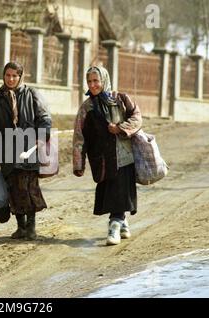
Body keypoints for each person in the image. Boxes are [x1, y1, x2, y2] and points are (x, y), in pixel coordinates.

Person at [73, 66, 142, 245]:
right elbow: (79, 136)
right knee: (112, 192)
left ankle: (115, 227)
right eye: (89, 81)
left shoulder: (120, 99)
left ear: (104, 80)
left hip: (123, 156)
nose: (93, 85)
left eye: (96, 81)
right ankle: (122, 222)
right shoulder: (86, 108)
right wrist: (78, 163)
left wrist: (120, 128)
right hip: (102, 160)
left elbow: (137, 118)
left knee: (121, 191)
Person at [0, 61, 52, 240]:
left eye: (15, 75)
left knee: (29, 188)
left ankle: (31, 227)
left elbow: (44, 118)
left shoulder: (32, 95)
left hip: (28, 148)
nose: (11, 79)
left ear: (20, 76)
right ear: (3, 76)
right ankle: (20, 226)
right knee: (13, 188)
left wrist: (41, 136)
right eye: (8, 75)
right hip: (7, 151)